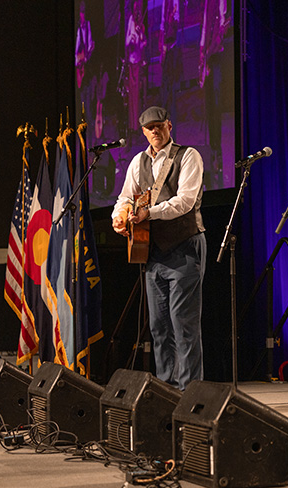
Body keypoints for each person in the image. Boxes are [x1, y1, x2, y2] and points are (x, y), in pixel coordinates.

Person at [111, 106, 206, 390]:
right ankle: (167, 387)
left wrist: (147, 214)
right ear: (143, 131)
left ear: (169, 125)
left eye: (159, 125)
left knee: (184, 323)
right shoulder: (138, 161)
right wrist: (119, 216)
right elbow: (125, 197)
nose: (154, 131)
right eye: (149, 127)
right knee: (159, 327)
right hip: (153, 252)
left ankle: (190, 391)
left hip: (184, 245)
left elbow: (185, 201)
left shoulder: (188, 155)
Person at [199, 0, 228, 178]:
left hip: (216, 54)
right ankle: (211, 151)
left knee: (216, 102)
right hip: (206, 53)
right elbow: (205, 21)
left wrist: (211, 49)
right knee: (208, 103)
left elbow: (222, 21)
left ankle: (218, 151)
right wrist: (201, 49)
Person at [125, 0, 147, 134]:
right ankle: (132, 127)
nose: (137, 11)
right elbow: (127, 42)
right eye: (135, 9)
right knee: (132, 97)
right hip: (132, 62)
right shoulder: (131, 22)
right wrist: (133, 39)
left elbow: (144, 43)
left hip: (139, 62)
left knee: (138, 96)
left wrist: (140, 38)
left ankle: (138, 126)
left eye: (138, 9)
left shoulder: (139, 24)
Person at [160, 0, 180, 113]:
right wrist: (161, 46)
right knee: (165, 83)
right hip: (166, 46)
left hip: (173, 45)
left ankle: (173, 114)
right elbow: (162, 23)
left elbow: (176, 16)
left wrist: (171, 18)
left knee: (172, 83)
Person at [75, 0, 95, 89]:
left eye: (83, 13)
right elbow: (78, 42)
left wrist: (90, 49)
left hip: (86, 56)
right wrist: (77, 58)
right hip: (81, 57)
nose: (82, 16)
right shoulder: (79, 28)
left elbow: (89, 39)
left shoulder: (87, 25)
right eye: (81, 13)